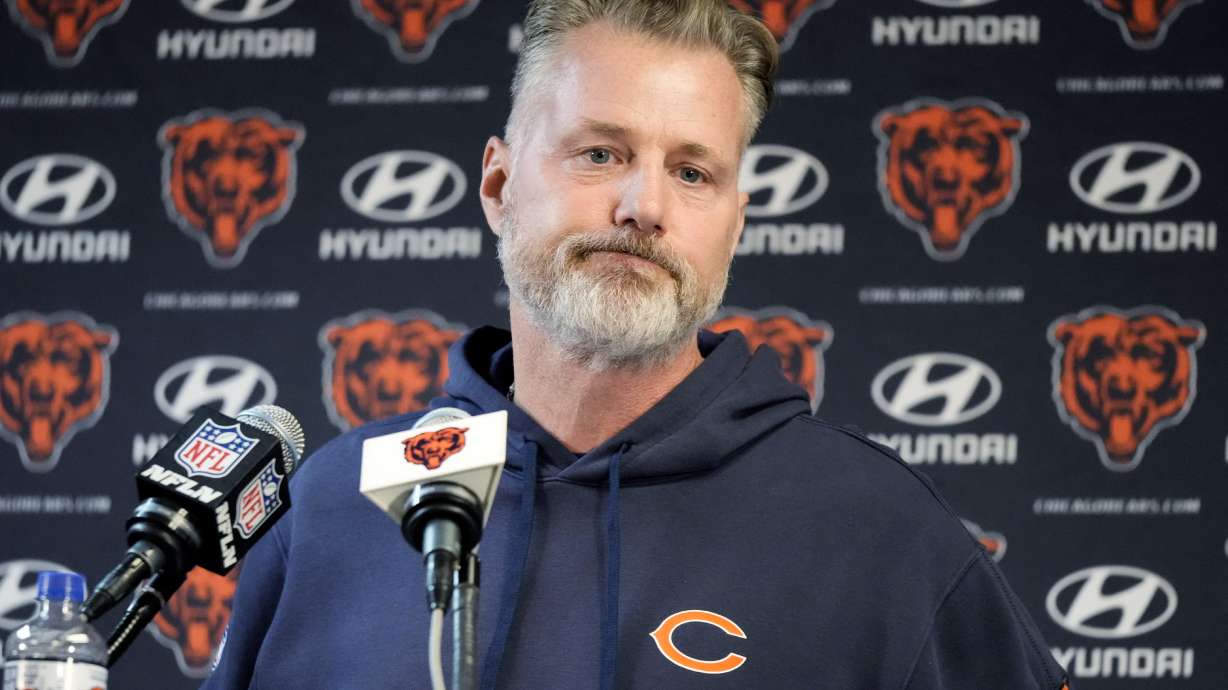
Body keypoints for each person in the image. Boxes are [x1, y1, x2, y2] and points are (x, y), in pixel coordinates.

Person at [204, 1, 1070, 688]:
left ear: (734, 225)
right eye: (601, 153)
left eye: (692, 172)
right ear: (500, 184)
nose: (644, 206)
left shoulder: (881, 534)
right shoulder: (335, 506)